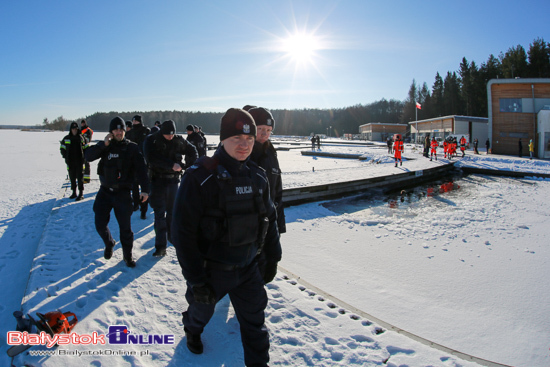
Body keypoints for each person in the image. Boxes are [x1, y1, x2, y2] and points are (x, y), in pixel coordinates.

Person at [172, 108, 282, 366]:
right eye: (237, 139)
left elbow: (270, 217)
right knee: (200, 313)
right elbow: (182, 233)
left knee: (256, 325)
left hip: (248, 268)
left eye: (250, 140)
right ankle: (192, 330)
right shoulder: (200, 177)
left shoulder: (257, 176)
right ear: (222, 139)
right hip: (212, 272)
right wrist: (196, 280)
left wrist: (273, 257)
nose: (245, 145)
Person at [85, 117, 150, 268]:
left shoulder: (132, 148)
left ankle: (127, 256)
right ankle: (109, 243)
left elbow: (142, 171)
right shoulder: (105, 146)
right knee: (100, 224)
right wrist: (103, 145)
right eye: (116, 130)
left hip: (122, 193)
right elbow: (88, 156)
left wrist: (146, 190)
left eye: (121, 130)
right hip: (105, 192)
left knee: (125, 228)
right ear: (111, 132)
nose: (119, 133)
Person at [144, 120, 198, 257]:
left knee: (172, 213)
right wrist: (171, 165)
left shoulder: (178, 140)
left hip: (173, 181)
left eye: (172, 134)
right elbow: (151, 158)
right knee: (159, 214)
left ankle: (171, 237)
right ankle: (160, 246)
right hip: (157, 181)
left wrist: (188, 166)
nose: (170, 137)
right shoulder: (152, 140)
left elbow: (193, 150)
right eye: (167, 134)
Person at [249, 107, 286, 235]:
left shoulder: (271, 153)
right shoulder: (241, 152)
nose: (265, 134)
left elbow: (277, 192)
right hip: (247, 228)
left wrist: (279, 227)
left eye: (269, 130)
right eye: (260, 129)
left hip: (270, 225)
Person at [126, 114, 151, 219]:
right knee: (134, 186)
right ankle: (135, 205)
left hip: (144, 162)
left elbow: (149, 146)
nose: (135, 122)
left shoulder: (146, 131)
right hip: (132, 163)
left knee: (144, 188)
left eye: (136, 121)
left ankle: (143, 210)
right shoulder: (130, 133)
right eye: (133, 121)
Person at [60, 122, 88, 201]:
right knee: (72, 177)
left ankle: (81, 193)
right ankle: (74, 192)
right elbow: (62, 148)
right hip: (70, 162)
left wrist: (85, 158)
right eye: (73, 129)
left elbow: (86, 149)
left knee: (80, 177)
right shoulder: (67, 138)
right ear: (71, 129)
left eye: (76, 129)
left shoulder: (82, 138)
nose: (74, 131)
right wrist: (65, 156)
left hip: (80, 161)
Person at [80, 119, 93, 183]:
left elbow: (88, 139)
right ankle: (82, 177)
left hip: (86, 148)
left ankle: (87, 178)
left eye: (83, 123)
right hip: (81, 148)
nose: (82, 124)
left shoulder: (88, 130)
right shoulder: (80, 130)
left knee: (86, 163)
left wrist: (84, 141)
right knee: (81, 164)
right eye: (82, 123)